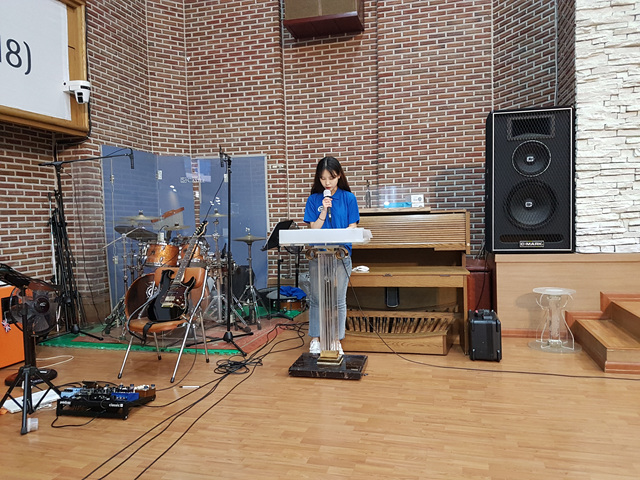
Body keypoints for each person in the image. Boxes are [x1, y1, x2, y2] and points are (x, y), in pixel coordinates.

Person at [303, 156, 360, 355]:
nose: (327, 182)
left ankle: (336, 340)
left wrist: (341, 234)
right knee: (316, 299)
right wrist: (324, 210)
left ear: (339, 176)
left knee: (338, 300)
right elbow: (313, 228)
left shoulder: (348, 198)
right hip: (318, 255)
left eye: (331, 178)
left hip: (340, 255)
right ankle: (315, 339)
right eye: (323, 178)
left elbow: (353, 226)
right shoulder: (314, 199)